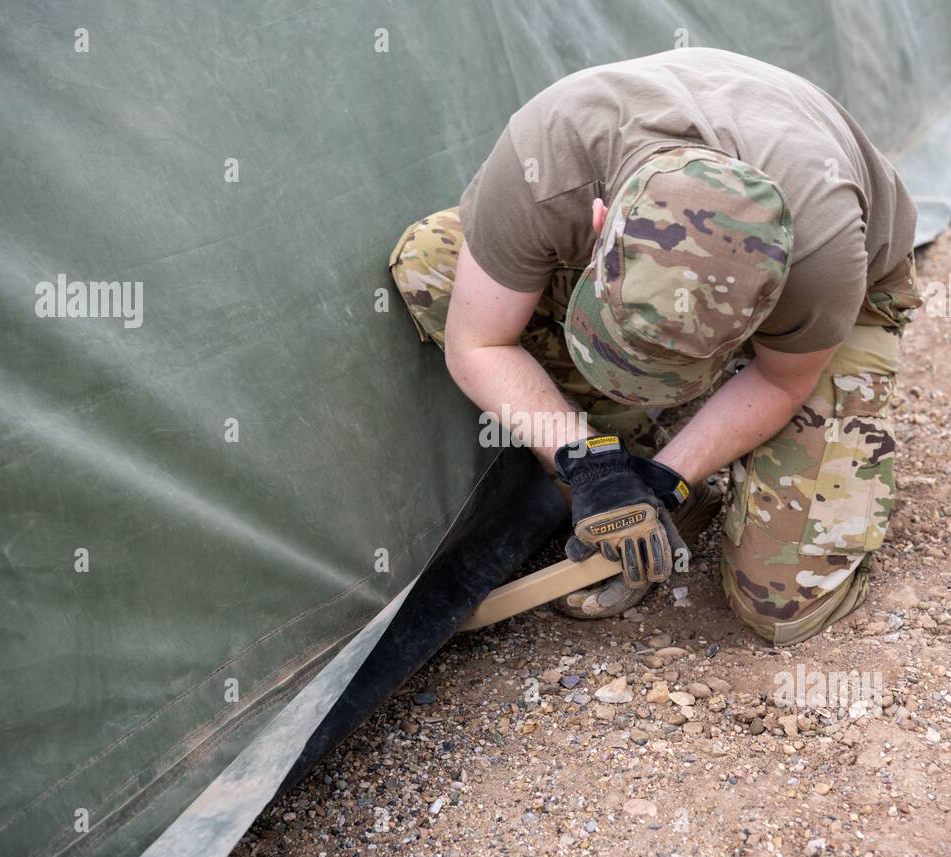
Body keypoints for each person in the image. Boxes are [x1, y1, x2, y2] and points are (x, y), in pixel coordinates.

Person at [389, 48, 922, 646]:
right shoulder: (546, 162)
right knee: (434, 262)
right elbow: (479, 340)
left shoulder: (823, 256)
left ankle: (686, 476)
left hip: (837, 305)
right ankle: (628, 457)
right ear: (599, 223)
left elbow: (779, 379)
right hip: (608, 188)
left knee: (779, 602)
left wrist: (669, 479)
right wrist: (592, 464)